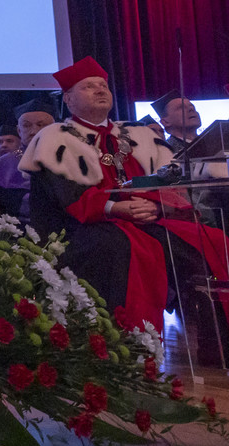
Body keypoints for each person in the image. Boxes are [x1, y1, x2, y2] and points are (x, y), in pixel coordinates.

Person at [22, 57, 229, 361]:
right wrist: (118, 208)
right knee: (122, 247)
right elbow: (65, 196)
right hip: (80, 229)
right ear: (68, 99)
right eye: (88, 86)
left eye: (103, 85)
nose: (99, 90)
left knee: (210, 241)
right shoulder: (55, 138)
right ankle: (124, 349)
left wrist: (156, 206)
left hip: (145, 221)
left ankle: (217, 347)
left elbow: (167, 181)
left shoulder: (139, 135)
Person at [0, 98, 56, 219]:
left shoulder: (68, 158)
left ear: (54, 128)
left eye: (41, 125)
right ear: (19, 130)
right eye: (26, 126)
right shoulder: (5, 162)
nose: (34, 131)